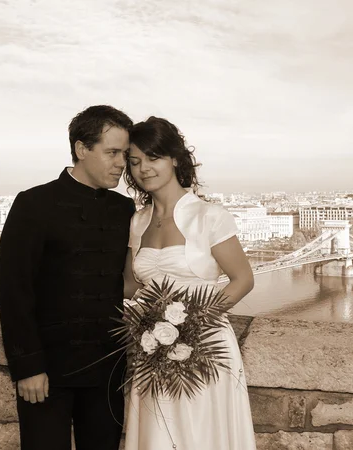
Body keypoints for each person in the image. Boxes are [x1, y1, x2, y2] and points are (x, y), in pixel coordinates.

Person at [0, 105, 136, 450]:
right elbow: (14, 290)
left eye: (125, 154)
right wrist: (27, 366)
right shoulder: (33, 203)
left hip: (107, 369)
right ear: (82, 149)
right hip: (47, 371)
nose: (121, 163)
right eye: (112, 152)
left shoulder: (124, 210)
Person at [123, 116, 256, 449]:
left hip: (206, 345)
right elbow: (129, 285)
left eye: (153, 158)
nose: (144, 168)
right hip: (152, 348)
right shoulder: (137, 221)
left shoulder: (210, 216)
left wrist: (192, 325)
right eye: (135, 161)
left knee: (201, 435)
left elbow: (242, 279)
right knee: (158, 434)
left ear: (175, 159)